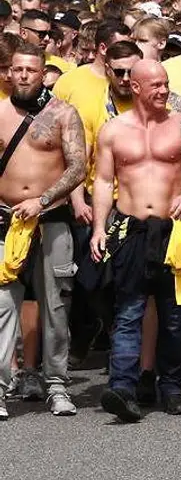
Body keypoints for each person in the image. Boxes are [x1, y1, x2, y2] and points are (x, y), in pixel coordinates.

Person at [90, 59, 181, 421]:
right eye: (155, 85)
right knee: (128, 312)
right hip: (131, 229)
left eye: (166, 83)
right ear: (136, 87)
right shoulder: (113, 130)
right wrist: (100, 228)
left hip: (172, 229)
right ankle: (123, 387)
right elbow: (102, 181)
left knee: (174, 316)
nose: (163, 90)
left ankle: (172, 386)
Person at [0, 42, 88, 419]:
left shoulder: (63, 114)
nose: (23, 76)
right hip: (5, 222)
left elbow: (78, 167)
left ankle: (57, 385)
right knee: (3, 307)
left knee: (55, 306)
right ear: (9, 72)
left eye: (31, 70)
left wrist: (43, 199)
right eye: (17, 69)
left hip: (51, 220)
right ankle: (1, 387)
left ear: (42, 73)